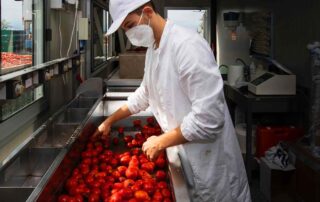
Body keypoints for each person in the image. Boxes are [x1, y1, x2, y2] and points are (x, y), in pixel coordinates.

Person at [94, 0, 251, 201]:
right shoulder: (154, 49)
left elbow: (209, 118)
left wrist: (161, 141)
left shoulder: (187, 46)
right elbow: (145, 93)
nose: (129, 36)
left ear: (148, 12)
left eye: (130, 26)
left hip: (211, 164)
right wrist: (110, 120)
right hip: (185, 154)